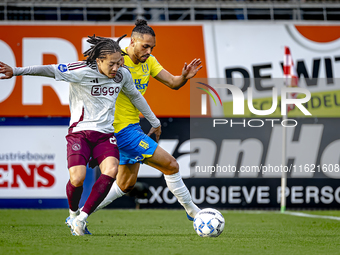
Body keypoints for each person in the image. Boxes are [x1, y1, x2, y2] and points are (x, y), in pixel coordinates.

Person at [0, 34, 161, 236]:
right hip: (80, 134)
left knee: (111, 171)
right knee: (78, 179)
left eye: (119, 63)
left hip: (105, 135)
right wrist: (15, 71)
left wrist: (155, 122)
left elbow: (136, 97)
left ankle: (82, 219)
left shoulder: (123, 75)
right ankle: (74, 213)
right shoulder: (80, 70)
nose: (116, 69)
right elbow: (48, 70)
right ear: (99, 60)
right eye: (111, 64)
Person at [94, 20, 202, 220]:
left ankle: (80, 215)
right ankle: (194, 212)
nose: (149, 51)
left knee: (126, 184)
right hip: (120, 129)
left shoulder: (149, 62)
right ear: (132, 41)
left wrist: (185, 77)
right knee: (171, 165)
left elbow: (173, 82)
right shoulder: (117, 59)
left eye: (152, 47)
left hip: (132, 126)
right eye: (145, 46)